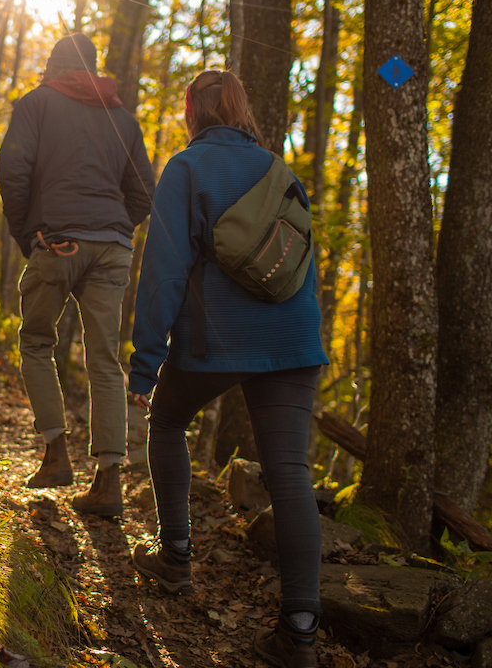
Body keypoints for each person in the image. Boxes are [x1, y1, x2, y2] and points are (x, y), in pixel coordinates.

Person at [126, 70, 329, 668]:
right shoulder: (280, 172)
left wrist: (145, 365)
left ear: (190, 109)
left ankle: (175, 558)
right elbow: (302, 264)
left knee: (165, 424)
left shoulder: (186, 169)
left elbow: (162, 271)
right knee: (290, 476)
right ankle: (299, 635)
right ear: (241, 108)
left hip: (218, 340)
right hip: (293, 339)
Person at [0, 32, 154, 516]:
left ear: (52, 66)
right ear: (94, 68)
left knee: (37, 343)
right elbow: (145, 193)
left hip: (57, 241)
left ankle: (55, 455)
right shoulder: (122, 119)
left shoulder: (36, 103)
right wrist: (108, 229)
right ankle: (109, 483)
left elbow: (12, 169)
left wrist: (29, 234)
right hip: (113, 247)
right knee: (105, 359)